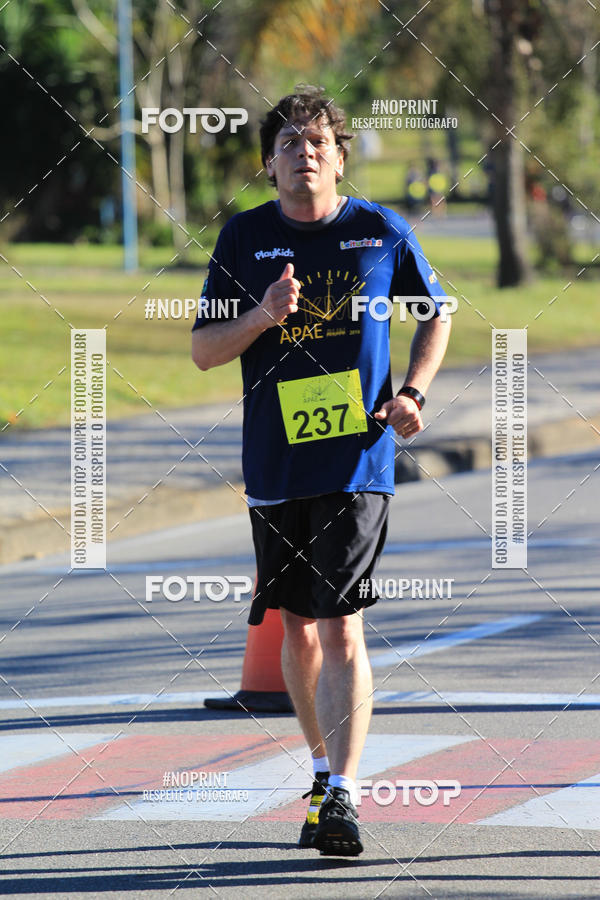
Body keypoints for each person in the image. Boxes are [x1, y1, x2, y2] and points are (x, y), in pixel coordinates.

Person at [191, 85, 451, 856]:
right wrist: (262, 315)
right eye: (288, 144)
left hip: (356, 458)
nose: (303, 153)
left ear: (340, 160)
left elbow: (437, 312)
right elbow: (204, 350)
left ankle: (344, 791)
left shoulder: (380, 231)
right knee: (298, 628)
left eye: (317, 143)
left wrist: (413, 392)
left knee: (339, 621)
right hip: (275, 462)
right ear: (269, 166)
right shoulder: (244, 238)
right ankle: (317, 772)